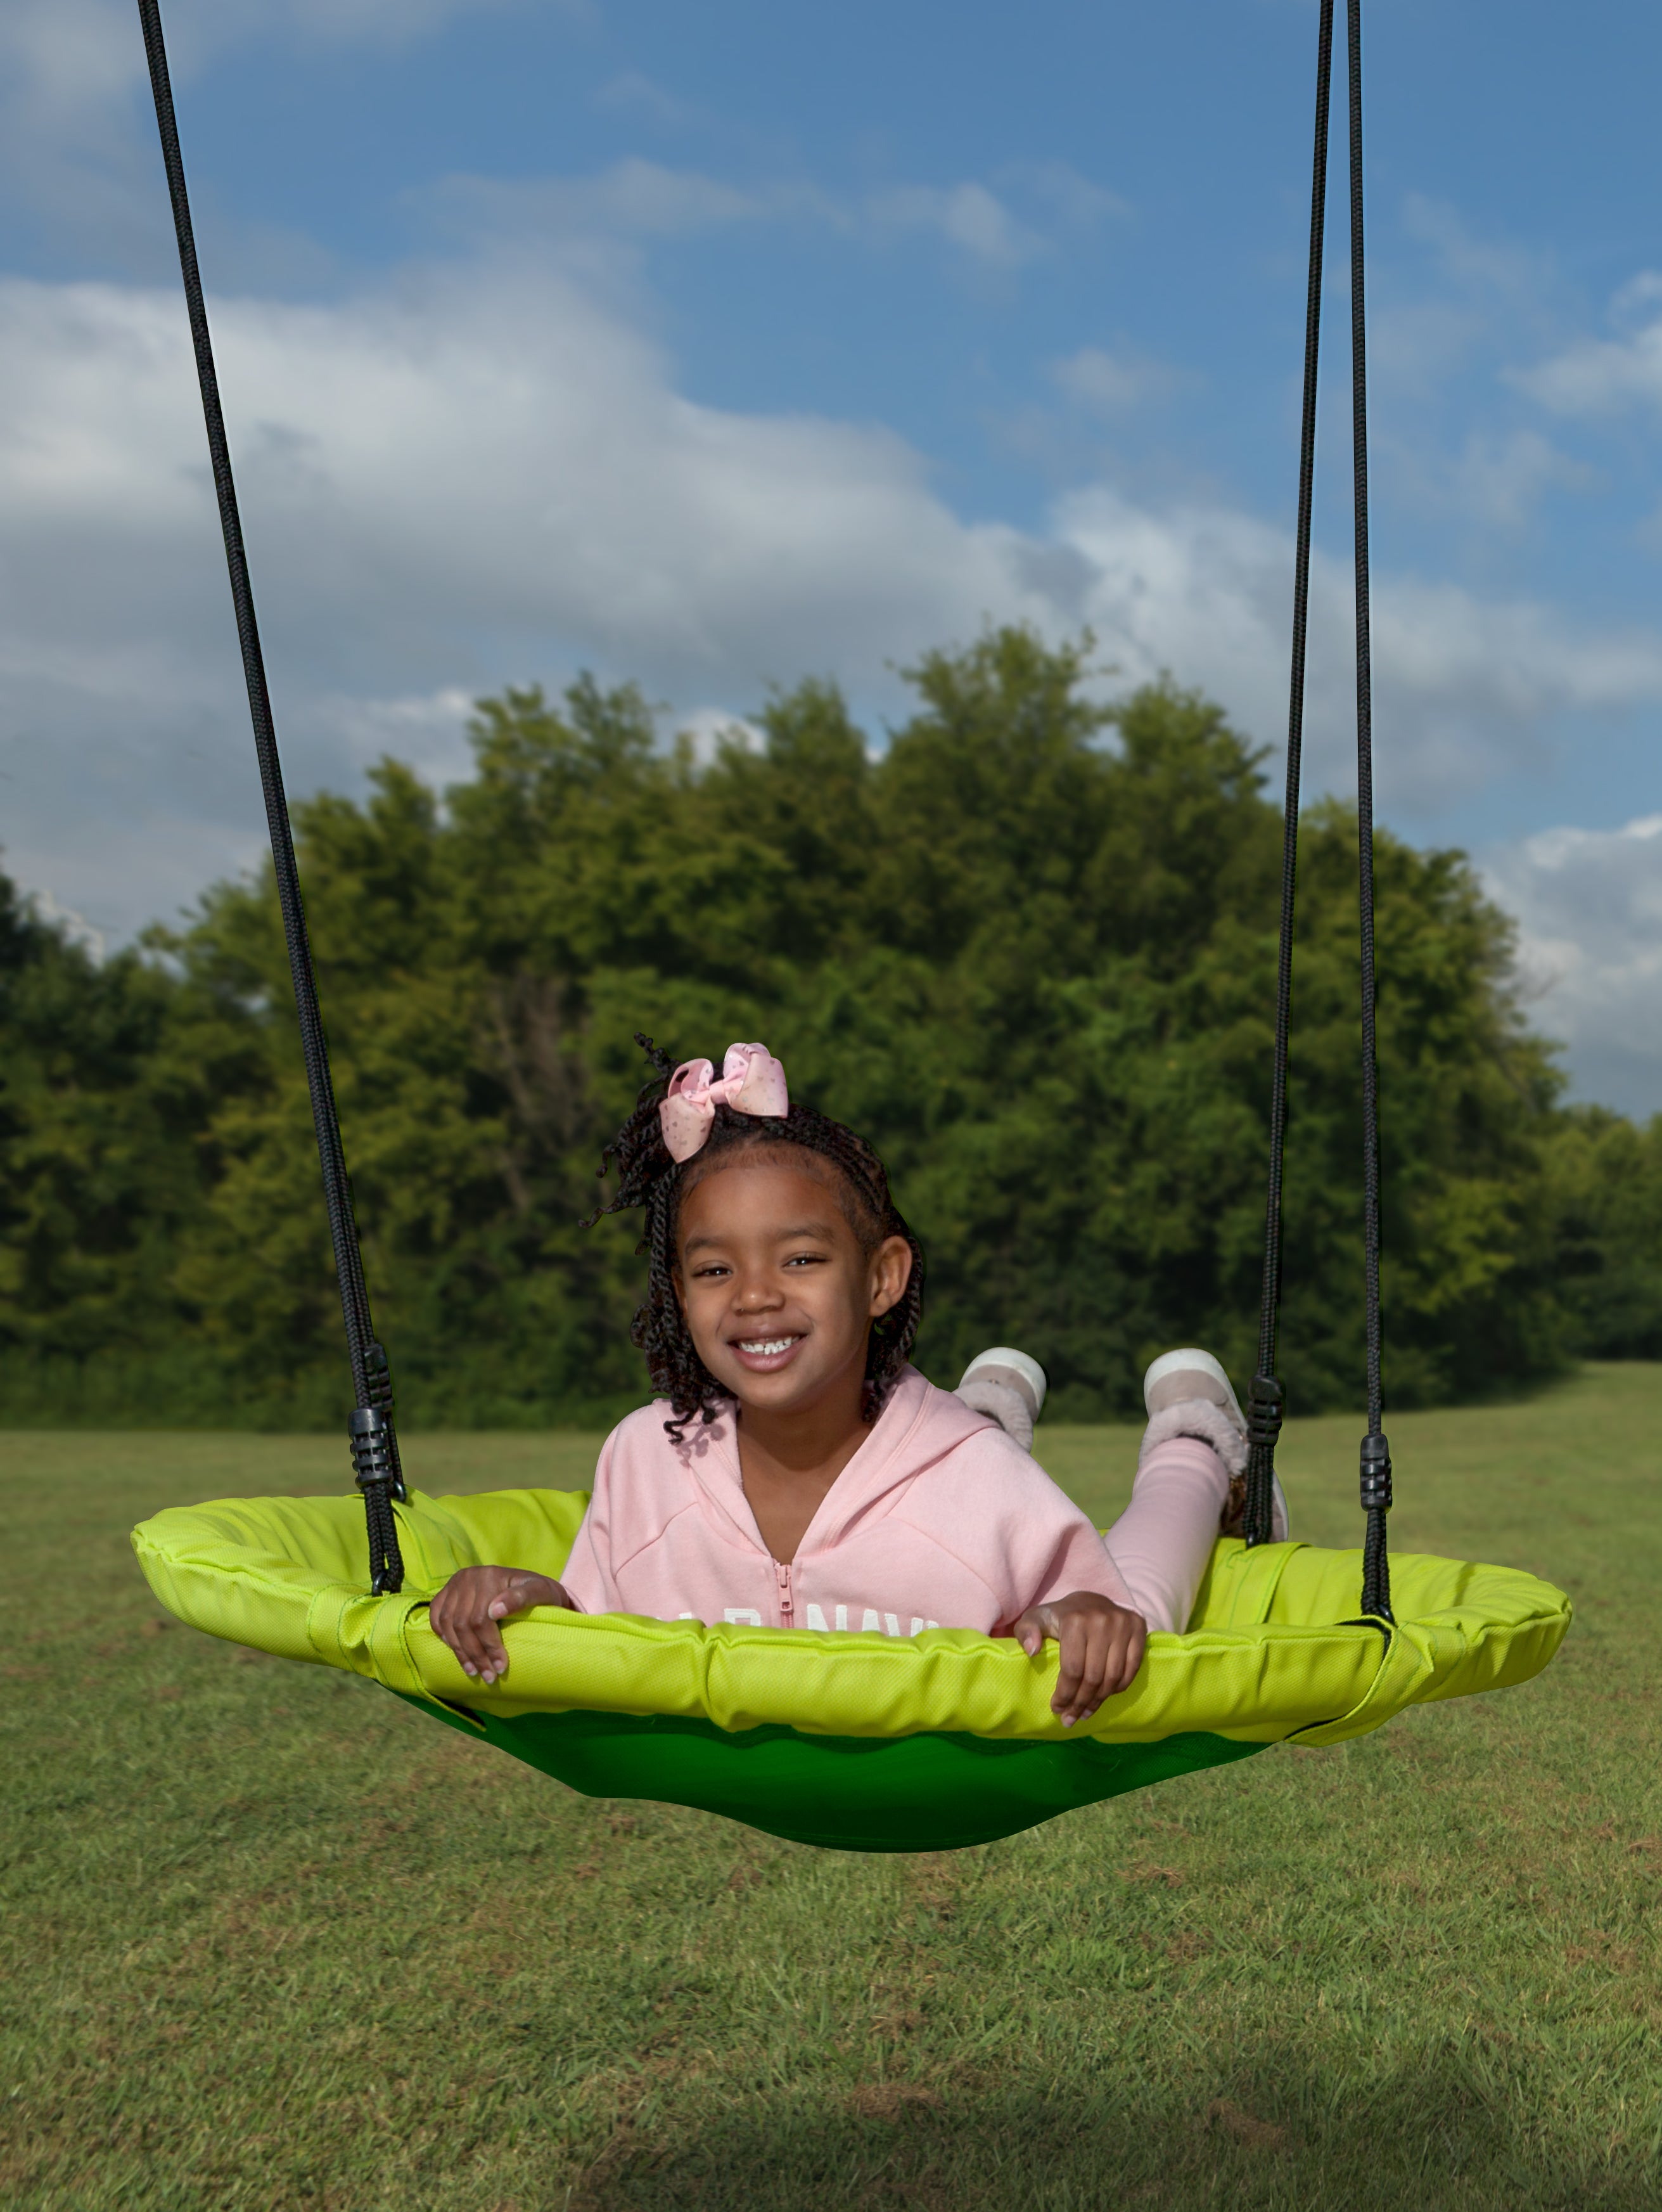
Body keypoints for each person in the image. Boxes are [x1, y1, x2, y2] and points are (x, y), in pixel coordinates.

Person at [428, 1039, 1286, 1727]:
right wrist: (529, 1599)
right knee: (973, 1465)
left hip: (969, 1482)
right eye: (716, 1268)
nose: (757, 1293)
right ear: (678, 1294)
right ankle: (985, 1405)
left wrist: (1086, 1612)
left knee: (1140, 1618)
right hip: (948, 1468)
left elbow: (1083, 1602)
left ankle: (1194, 1444)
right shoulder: (647, 1457)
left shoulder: (977, 1484)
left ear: (881, 1278)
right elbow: (600, 1631)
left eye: (801, 1258)